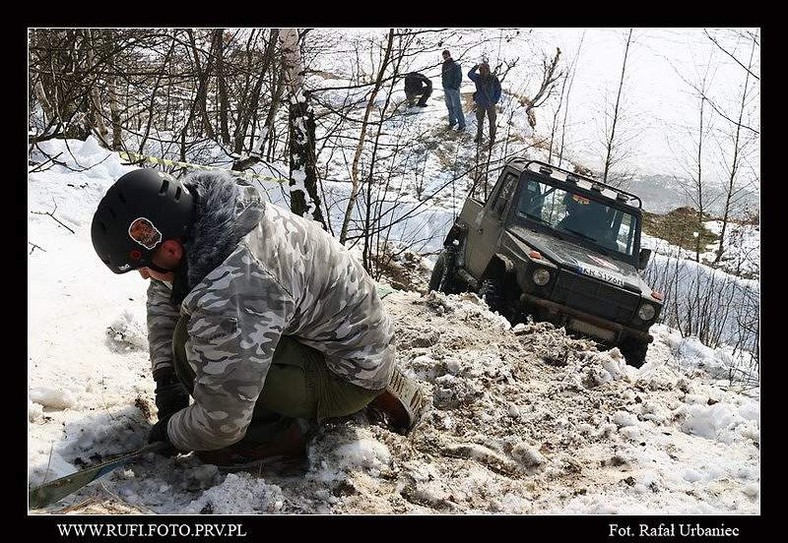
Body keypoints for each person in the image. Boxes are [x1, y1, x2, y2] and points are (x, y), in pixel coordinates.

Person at [90, 168, 409, 468]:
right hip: (348, 335)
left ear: (172, 250)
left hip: (348, 373)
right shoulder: (213, 217)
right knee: (194, 333)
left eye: (143, 265)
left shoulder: (232, 288)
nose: (145, 276)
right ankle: (345, 381)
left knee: (190, 347)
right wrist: (166, 382)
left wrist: (173, 433)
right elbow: (164, 292)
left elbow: (222, 422)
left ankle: (282, 435)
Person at [468, 62, 502, 144]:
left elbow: (498, 90)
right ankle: (479, 137)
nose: (482, 71)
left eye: (484, 69)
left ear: (488, 70)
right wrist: (476, 66)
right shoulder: (478, 77)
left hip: (490, 103)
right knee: (480, 121)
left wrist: (495, 100)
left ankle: (492, 138)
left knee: (492, 121)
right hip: (480, 103)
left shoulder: (493, 78)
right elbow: (469, 74)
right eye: (481, 70)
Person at [441, 50, 465, 131]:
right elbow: (443, 76)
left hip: (453, 89)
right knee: (449, 106)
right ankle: (452, 121)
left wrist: (454, 87)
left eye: (446, 56)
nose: (445, 57)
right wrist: (444, 85)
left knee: (457, 106)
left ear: (449, 55)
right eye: (444, 56)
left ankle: (462, 124)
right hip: (446, 88)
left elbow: (459, 77)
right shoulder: (444, 65)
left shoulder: (455, 65)